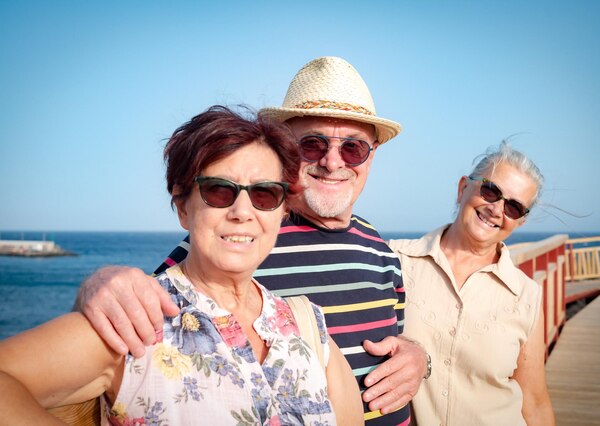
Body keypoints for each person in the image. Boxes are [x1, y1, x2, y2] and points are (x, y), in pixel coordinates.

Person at [74, 57, 428, 425]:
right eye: (312, 144)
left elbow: (398, 338)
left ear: (372, 156)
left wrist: (419, 358)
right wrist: (97, 284)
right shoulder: (245, 238)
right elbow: (150, 302)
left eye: (353, 147)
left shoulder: (378, 247)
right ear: (287, 153)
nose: (333, 161)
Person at [0, 106, 363, 425]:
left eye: (264, 194)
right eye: (219, 191)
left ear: (282, 211)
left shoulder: (307, 327)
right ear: (183, 207)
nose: (242, 212)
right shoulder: (138, 320)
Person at [388, 142, 556, 425]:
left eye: (513, 207)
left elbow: (534, 401)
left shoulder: (526, 295)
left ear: (520, 222)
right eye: (491, 190)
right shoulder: (395, 261)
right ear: (463, 187)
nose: (497, 209)